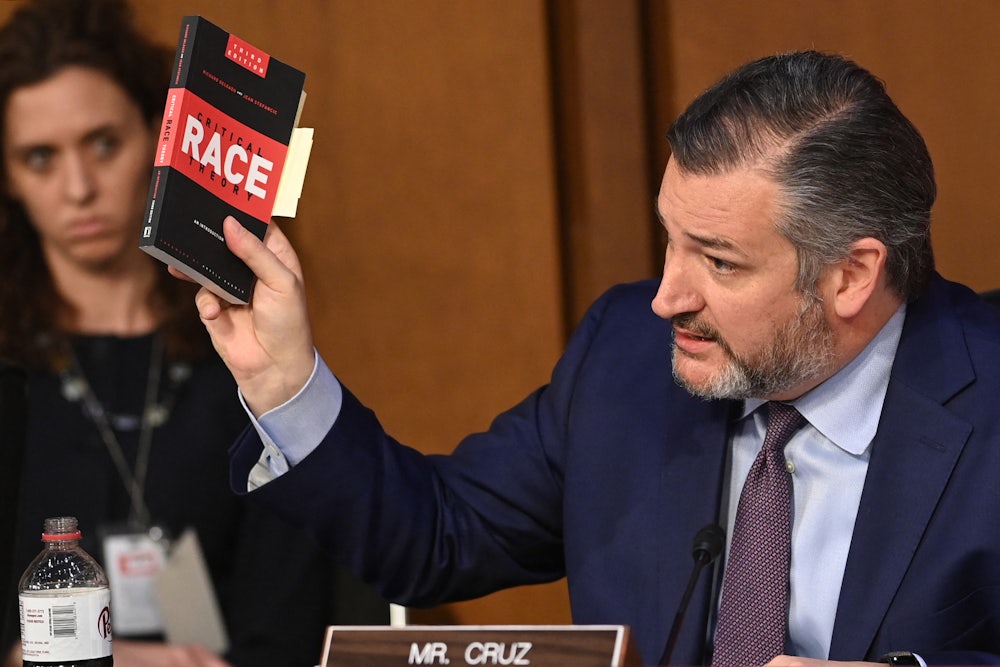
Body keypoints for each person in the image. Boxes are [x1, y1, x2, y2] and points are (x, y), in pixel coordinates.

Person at [185, 50, 1000, 666]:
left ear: (850, 275)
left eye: (719, 262)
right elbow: (433, 535)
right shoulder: (626, 359)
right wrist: (283, 380)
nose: (667, 296)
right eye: (669, 240)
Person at [0, 1, 387, 666]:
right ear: (8, 176)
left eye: (103, 144)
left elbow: (295, 622)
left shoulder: (242, 351)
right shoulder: (10, 378)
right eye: (41, 157)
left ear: (159, 139)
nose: (79, 188)